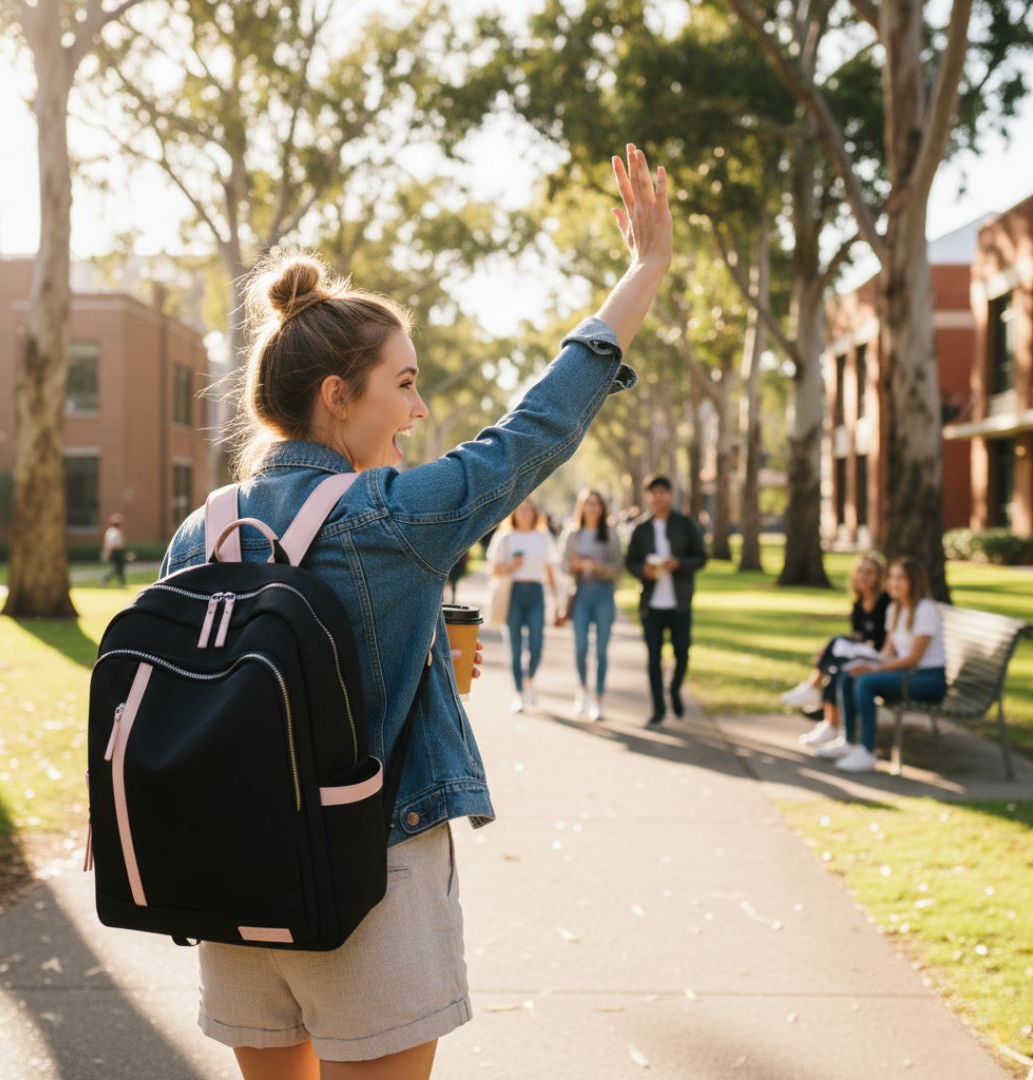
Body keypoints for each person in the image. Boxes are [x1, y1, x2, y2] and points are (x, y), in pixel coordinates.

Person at [156, 143, 672, 1080]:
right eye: (403, 384)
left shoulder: (203, 530)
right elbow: (537, 429)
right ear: (334, 396)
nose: (420, 408)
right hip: (368, 876)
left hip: (229, 882)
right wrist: (642, 271)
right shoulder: (389, 520)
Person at [817, 556, 948, 773]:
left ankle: (867, 751)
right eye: (892, 577)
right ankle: (848, 742)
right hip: (908, 675)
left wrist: (874, 669)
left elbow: (913, 659)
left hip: (928, 679)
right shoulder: (895, 609)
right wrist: (864, 662)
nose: (894, 583)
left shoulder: (925, 610)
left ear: (915, 582)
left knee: (865, 683)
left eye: (901, 579)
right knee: (849, 675)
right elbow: (888, 651)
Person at [783, 554, 889, 748]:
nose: (863, 577)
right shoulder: (859, 603)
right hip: (864, 651)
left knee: (837, 658)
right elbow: (859, 635)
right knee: (834, 661)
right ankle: (828, 723)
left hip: (879, 656)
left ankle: (814, 691)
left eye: (869, 573)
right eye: (860, 571)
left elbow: (882, 641)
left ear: (879, 577)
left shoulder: (885, 603)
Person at [626, 475, 707, 725]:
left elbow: (702, 557)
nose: (658, 497)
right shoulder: (641, 529)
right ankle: (659, 708)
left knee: (682, 652)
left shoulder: (686, 525)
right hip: (651, 604)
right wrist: (644, 571)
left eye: (663, 492)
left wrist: (679, 563)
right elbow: (630, 562)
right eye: (654, 493)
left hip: (679, 603)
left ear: (670, 495)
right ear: (648, 497)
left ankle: (674, 690)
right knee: (653, 658)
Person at [488, 499, 559, 712]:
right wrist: (512, 565)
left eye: (528, 509)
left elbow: (549, 569)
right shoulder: (504, 538)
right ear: (514, 513)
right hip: (513, 593)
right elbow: (493, 570)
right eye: (520, 509)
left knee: (537, 645)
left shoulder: (543, 537)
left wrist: (556, 599)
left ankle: (528, 680)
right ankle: (519, 693)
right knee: (515, 647)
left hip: (536, 593)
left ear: (535, 513)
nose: (525, 513)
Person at [558, 488, 623, 721]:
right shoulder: (572, 534)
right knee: (580, 647)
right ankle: (583, 689)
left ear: (602, 508)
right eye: (588, 503)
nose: (592, 508)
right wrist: (575, 566)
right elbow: (563, 564)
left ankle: (599, 699)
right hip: (581, 595)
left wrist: (598, 567)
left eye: (596, 504)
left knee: (601, 651)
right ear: (582, 507)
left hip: (604, 594)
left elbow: (619, 568)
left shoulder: (611, 533)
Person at [100, 513, 127, 587]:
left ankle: (122, 584)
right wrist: (110, 552)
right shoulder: (112, 532)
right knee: (117, 568)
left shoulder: (118, 532)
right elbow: (110, 543)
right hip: (115, 552)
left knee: (120, 569)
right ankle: (105, 579)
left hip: (119, 551)